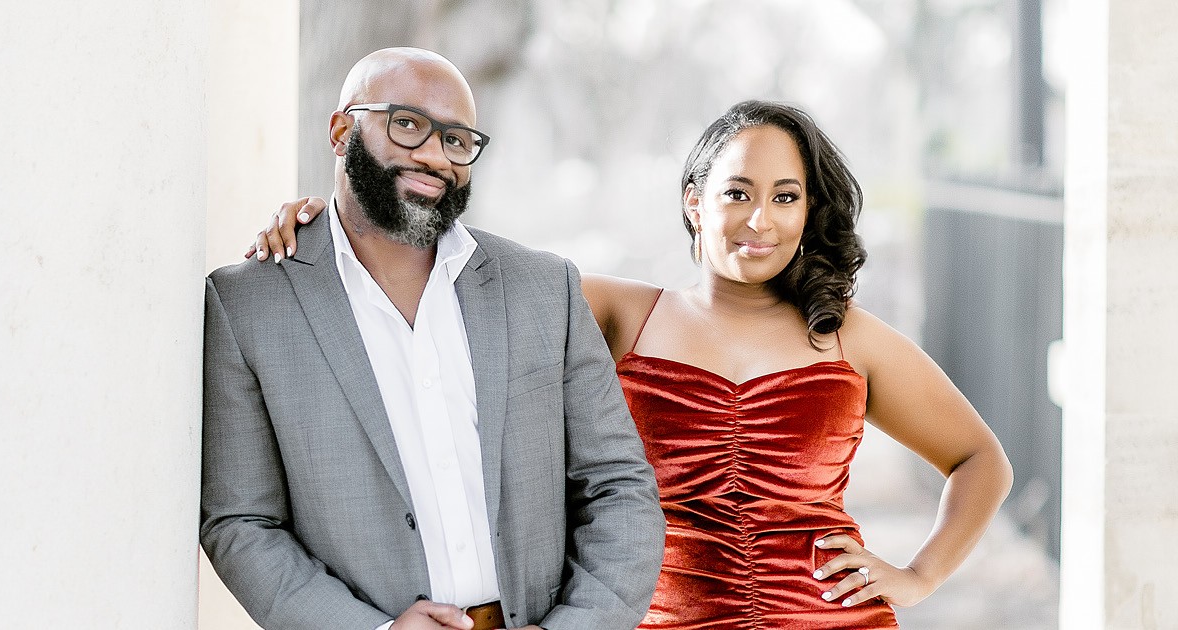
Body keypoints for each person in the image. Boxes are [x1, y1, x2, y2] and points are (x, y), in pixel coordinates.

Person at [251, 100, 1013, 628]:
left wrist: (918, 576)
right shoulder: (615, 310)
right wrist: (332, 220)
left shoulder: (850, 337)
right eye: (737, 192)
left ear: (809, 211)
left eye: (786, 197)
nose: (761, 219)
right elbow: (445, 271)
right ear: (693, 200)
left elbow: (981, 460)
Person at [201, 47, 665, 630]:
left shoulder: (545, 290)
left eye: (456, 139)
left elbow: (619, 487)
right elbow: (241, 522)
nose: (434, 156)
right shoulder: (249, 305)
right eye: (408, 125)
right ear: (341, 131)